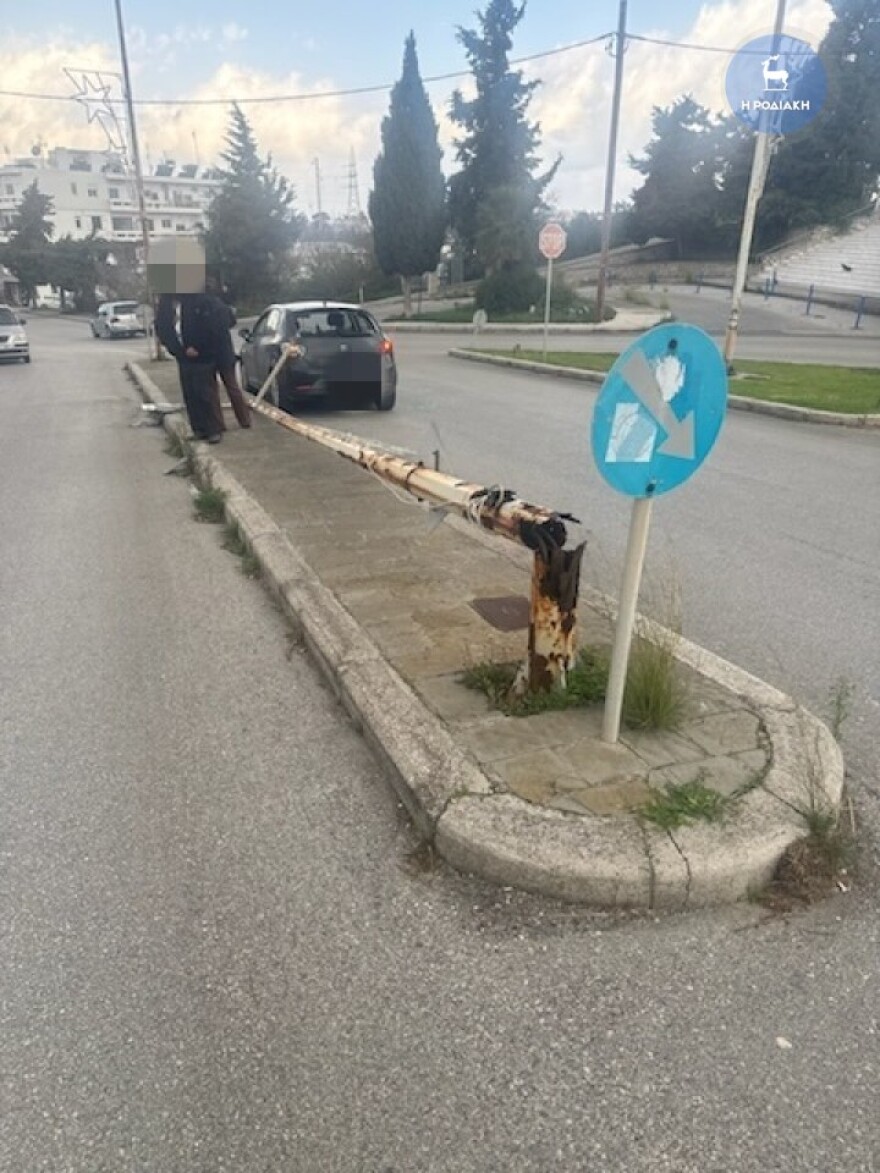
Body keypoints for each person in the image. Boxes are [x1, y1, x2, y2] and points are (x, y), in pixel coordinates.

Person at [155, 290, 237, 444]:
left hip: (203, 355)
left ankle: (213, 430)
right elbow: (162, 328)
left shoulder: (201, 300)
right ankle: (198, 428)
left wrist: (198, 347)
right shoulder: (166, 304)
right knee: (190, 393)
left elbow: (211, 327)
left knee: (205, 393)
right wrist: (178, 350)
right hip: (182, 355)